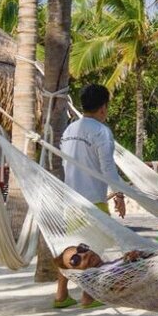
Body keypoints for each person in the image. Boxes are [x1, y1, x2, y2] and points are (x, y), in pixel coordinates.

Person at [61, 84, 127, 220]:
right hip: (94, 204)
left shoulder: (69, 130)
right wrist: (119, 195)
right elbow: (107, 167)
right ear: (103, 108)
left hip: (71, 204)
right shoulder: (101, 131)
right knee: (103, 241)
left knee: (77, 241)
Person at [50, 243, 154, 310]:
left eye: (82, 249)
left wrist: (130, 257)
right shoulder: (103, 278)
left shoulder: (104, 266)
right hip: (152, 275)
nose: (84, 255)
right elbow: (121, 286)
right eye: (75, 260)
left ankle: (83, 298)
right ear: (77, 274)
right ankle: (87, 298)